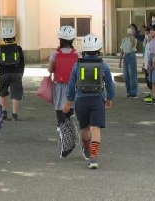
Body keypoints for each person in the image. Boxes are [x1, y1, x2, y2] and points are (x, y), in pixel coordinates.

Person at [63, 34, 115, 170]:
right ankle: (93, 157)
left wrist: (69, 101)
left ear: (84, 50)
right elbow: (109, 83)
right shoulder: (103, 65)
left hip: (81, 100)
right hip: (97, 99)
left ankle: (86, 149)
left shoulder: (77, 65)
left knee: (85, 128)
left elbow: (71, 84)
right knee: (95, 128)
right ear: (99, 49)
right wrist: (110, 98)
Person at [48, 25, 79, 129]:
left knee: (59, 105)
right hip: (72, 85)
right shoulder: (77, 54)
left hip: (59, 84)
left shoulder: (55, 54)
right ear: (72, 40)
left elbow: (50, 69)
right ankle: (68, 123)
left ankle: (60, 125)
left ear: (60, 39)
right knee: (70, 104)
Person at [0, 27, 25, 121]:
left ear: (3, 38)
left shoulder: (0, 49)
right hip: (16, 73)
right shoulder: (18, 48)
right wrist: (20, 73)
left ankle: (3, 113)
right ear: (13, 37)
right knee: (15, 94)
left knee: (3, 93)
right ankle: (14, 115)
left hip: (4, 73)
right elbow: (22, 63)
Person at [119, 25, 139, 98]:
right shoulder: (124, 39)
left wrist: (131, 36)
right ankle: (128, 92)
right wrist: (120, 60)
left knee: (132, 75)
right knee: (126, 76)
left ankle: (133, 93)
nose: (130, 29)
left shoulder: (134, 39)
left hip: (131, 56)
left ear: (134, 30)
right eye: (129, 28)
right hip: (126, 57)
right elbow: (121, 50)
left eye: (132, 28)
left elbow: (132, 46)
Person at [142, 27, 153, 103]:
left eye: (148, 34)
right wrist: (143, 64)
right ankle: (151, 94)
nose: (146, 35)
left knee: (151, 81)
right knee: (148, 81)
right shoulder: (147, 43)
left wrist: (148, 66)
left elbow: (151, 56)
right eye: (145, 34)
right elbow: (145, 55)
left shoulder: (152, 43)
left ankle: (153, 95)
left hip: (150, 65)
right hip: (146, 65)